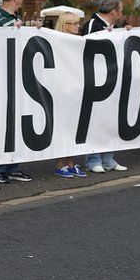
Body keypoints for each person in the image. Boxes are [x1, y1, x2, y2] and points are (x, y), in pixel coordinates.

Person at [0, 0, 32, 184]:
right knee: (2, 124)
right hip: (2, 80)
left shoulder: (15, 19)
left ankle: (12, 166)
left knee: (15, 124)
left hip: (16, 78)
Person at [81, 0, 128, 174]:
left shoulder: (113, 27)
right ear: (114, 12)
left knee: (110, 120)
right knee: (96, 121)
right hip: (96, 79)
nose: (122, 14)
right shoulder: (93, 24)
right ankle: (93, 159)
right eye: (121, 10)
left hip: (111, 78)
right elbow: (88, 46)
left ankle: (108, 158)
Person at [52, 12, 87, 179]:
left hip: (76, 88)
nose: (77, 26)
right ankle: (60, 164)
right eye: (73, 23)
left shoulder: (78, 41)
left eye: (78, 23)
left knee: (74, 127)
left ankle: (71, 163)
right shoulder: (57, 42)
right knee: (63, 127)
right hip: (62, 90)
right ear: (65, 25)